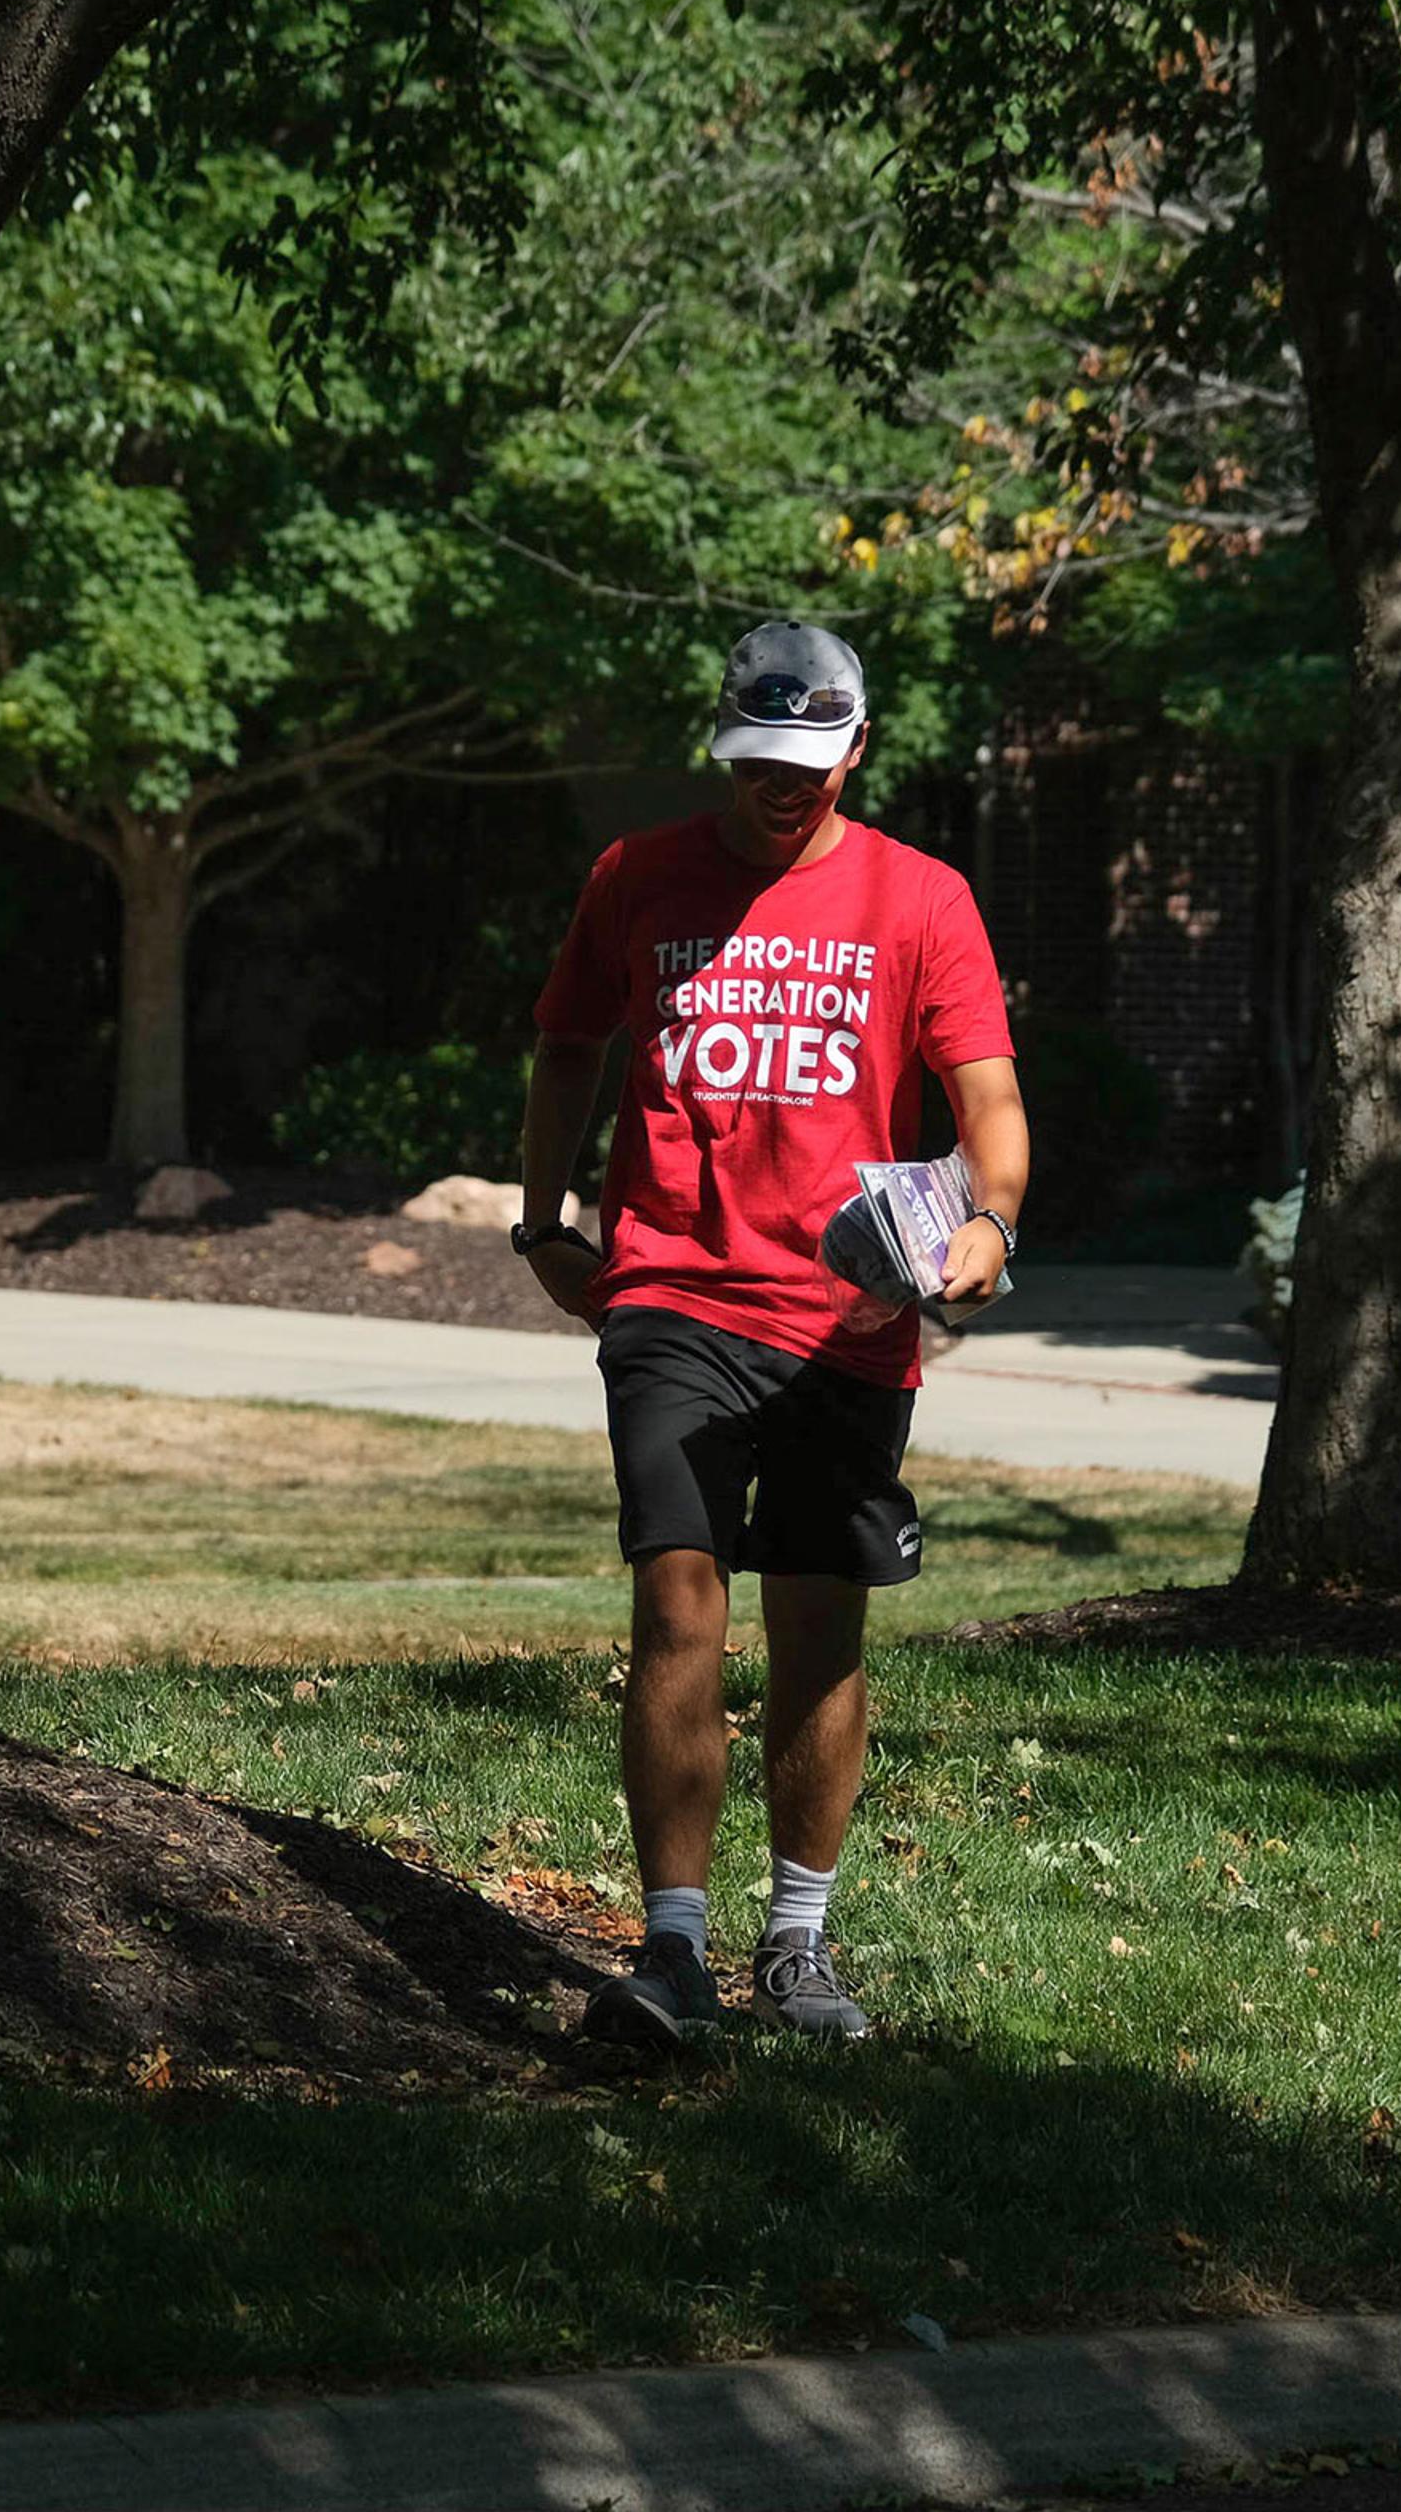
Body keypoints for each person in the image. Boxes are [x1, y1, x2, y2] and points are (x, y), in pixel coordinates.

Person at [513, 619, 1029, 2049]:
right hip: (673, 1291)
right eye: (758, 761)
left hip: (848, 1318)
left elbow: (986, 1097)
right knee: (678, 1596)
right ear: (721, 744)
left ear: (857, 748)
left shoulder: (920, 899)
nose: (781, 786)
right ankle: (669, 1953)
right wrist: (546, 1223)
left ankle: (795, 1946)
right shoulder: (637, 879)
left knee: (818, 1622)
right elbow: (569, 1047)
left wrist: (987, 1225)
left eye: (810, 760)